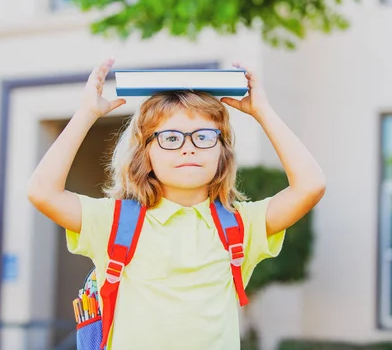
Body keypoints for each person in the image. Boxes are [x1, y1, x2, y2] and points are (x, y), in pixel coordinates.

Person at [27, 57, 326, 350]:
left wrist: (263, 112)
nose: (188, 148)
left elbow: (310, 186)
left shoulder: (240, 225)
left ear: (222, 152)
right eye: (170, 138)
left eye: (204, 137)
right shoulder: (114, 221)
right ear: (145, 153)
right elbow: (43, 191)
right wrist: (86, 114)